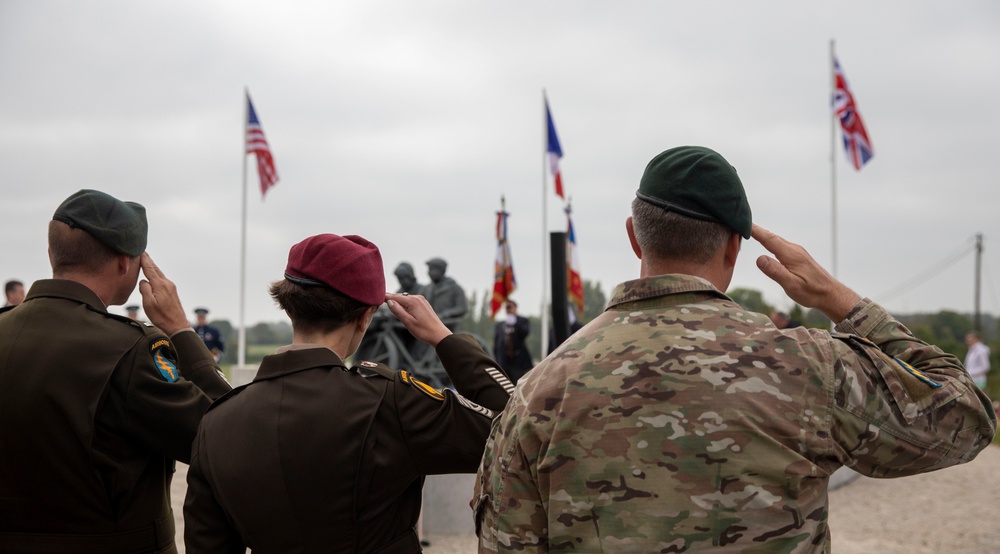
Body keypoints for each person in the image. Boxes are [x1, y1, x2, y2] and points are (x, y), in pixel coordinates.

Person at [474, 146, 996, 552]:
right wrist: (841, 301)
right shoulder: (809, 366)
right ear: (733, 247)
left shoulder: (538, 389)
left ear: (635, 237)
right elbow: (966, 419)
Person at [184, 233, 513, 553]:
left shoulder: (217, 423)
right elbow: (516, 428)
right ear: (365, 318)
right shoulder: (392, 402)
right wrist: (444, 338)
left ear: (288, 308)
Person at [0, 189, 231, 553]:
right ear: (127, 264)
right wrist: (182, 331)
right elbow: (225, 439)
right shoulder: (132, 348)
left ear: (51, 255)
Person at [493, 299, 533, 383]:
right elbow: (496, 345)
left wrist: (515, 323)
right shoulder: (500, 325)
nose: (509, 310)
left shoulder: (522, 321)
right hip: (504, 362)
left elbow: (525, 332)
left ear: (515, 308)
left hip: (519, 362)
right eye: (507, 308)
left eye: (510, 307)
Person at [422, 257, 467, 329]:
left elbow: (461, 308)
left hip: (448, 325)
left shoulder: (455, 288)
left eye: (432, 270)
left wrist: (445, 314)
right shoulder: (427, 289)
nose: (429, 273)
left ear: (441, 271)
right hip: (428, 325)